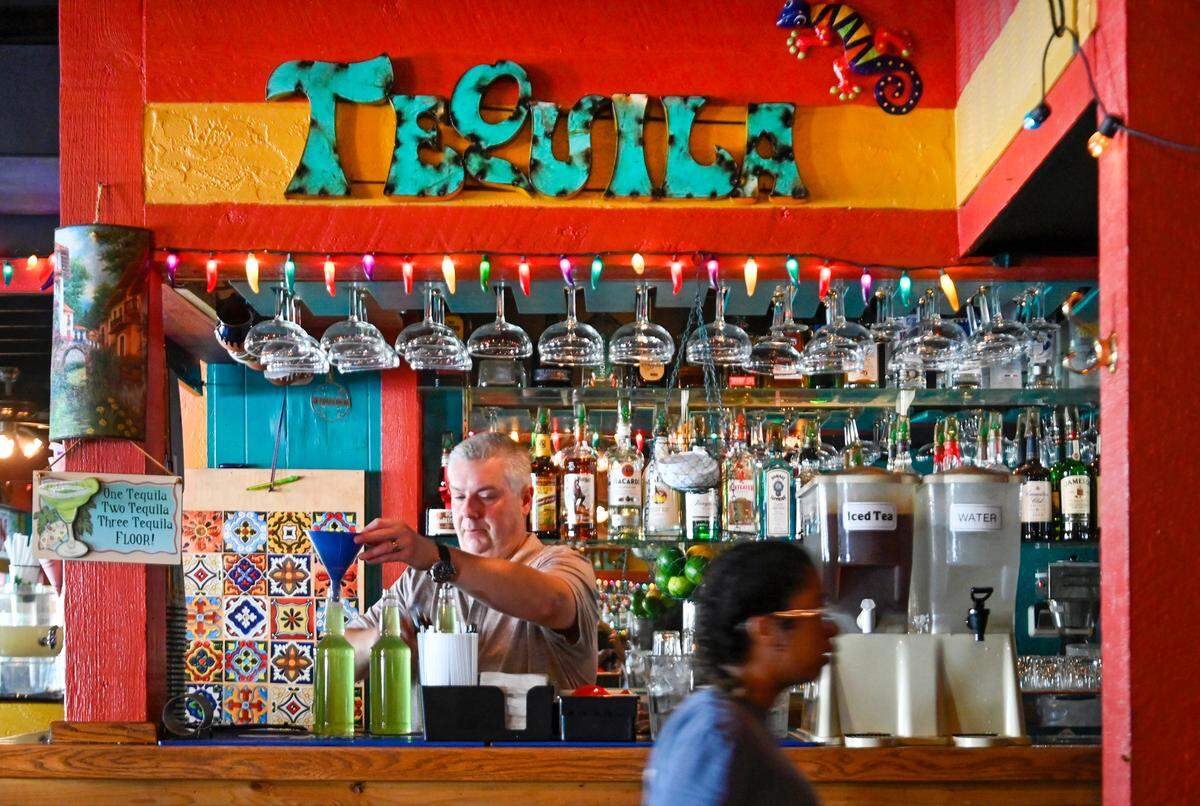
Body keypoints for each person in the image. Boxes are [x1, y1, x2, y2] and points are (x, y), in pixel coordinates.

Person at [346, 432, 599, 690]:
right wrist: (378, 639)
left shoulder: (562, 564)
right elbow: (339, 659)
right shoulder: (420, 579)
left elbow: (550, 603)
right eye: (458, 496)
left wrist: (439, 557)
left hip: (534, 732)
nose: (468, 511)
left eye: (487, 496)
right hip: (431, 732)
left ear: (525, 500)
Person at [644, 541, 837, 806]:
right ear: (766, 630)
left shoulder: (734, 723)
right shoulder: (715, 733)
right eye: (815, 611)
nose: (831, 628)